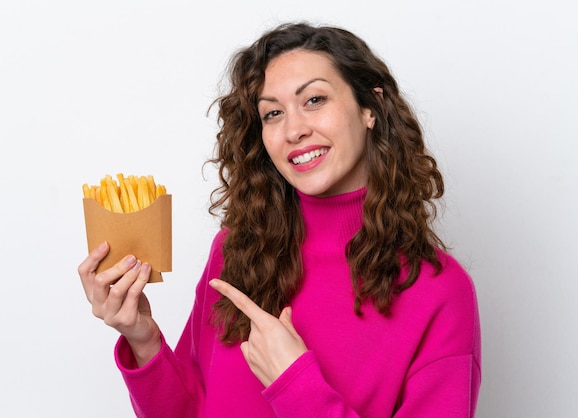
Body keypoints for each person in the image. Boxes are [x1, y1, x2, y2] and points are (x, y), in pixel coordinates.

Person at [78, 22, 481, 417]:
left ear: (370, 108)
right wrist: (144, 341)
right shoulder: (237, 250)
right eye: (272, 113)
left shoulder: (440, 292)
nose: (293, 130)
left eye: (315, 100)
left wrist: (295, 384)